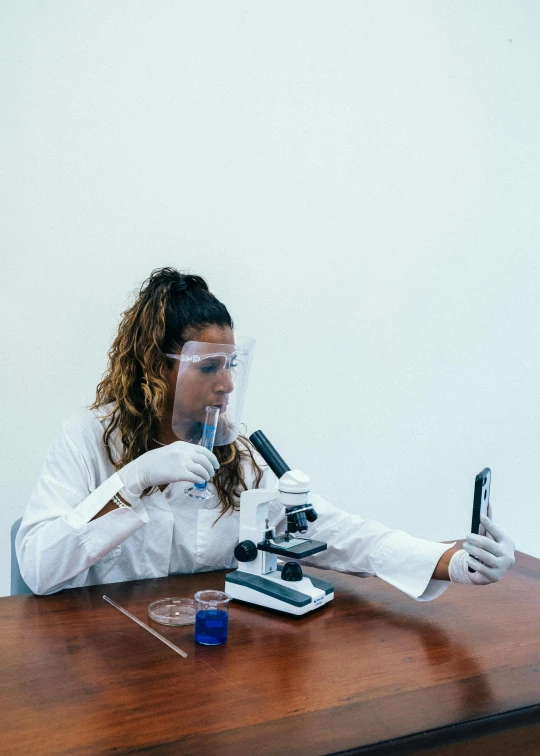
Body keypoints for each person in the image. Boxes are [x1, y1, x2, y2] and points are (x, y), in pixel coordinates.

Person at [16, 268, 515, 597]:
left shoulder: (239, 452)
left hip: (204, 652)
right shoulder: (87, 440)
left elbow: (331, 530)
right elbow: (39, 568)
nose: (228, 384)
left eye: (231, 365)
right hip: (102, 660)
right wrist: (130, 482)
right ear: (155, 366)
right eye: (210, 367)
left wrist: (449, 561)